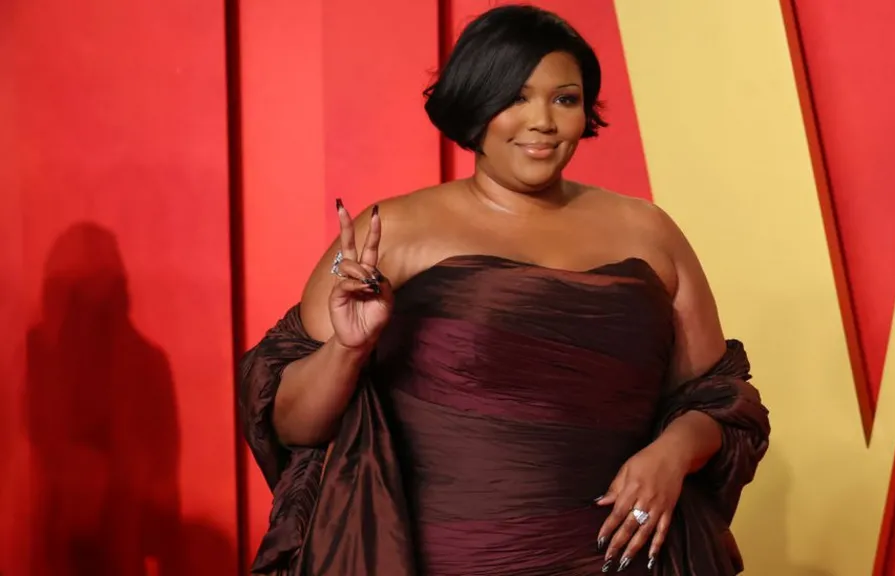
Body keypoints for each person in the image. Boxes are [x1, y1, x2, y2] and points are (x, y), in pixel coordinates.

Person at [239, 5, 770, 575]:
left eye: (564, 99)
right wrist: (349, 349)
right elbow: (291, 427)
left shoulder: (650, 231)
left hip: (627, 557)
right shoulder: (386, 234)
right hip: (447, 561)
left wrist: (672, 454)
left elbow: (719, 401)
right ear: (475, 103)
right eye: (515, 97)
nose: (542, 121)